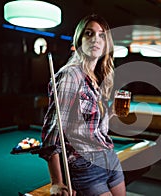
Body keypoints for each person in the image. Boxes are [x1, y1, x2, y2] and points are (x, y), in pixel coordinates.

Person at [37, 14, 126, 196]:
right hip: (85, 165)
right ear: (79, 40)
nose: (96, 39)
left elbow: (89, 126)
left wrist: (109, 113)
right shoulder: (70, 76)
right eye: (89, 33)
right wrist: (56, 181)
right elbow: (53, 132)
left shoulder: (97, 77)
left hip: (109, 157)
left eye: (102, 35)